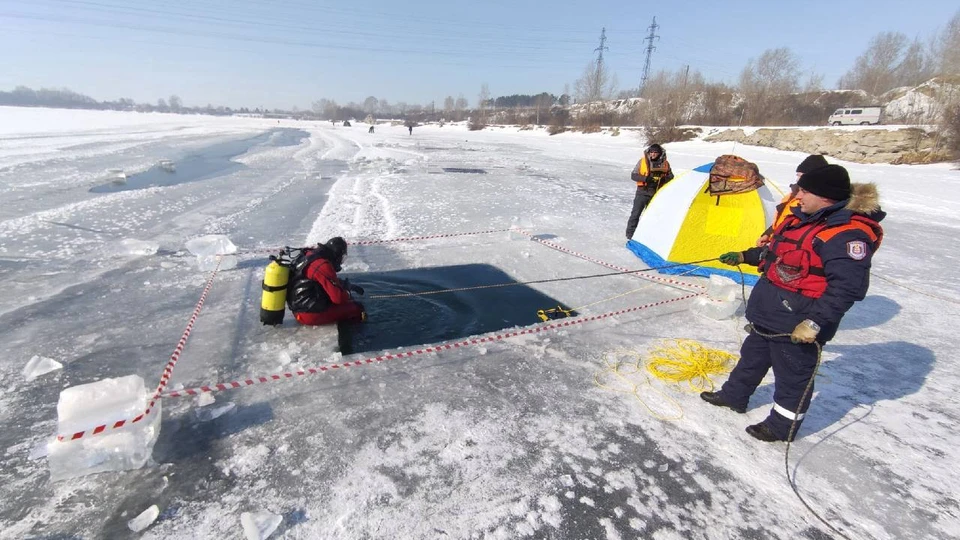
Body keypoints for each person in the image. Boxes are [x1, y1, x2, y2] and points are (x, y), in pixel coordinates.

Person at [701, 164, 885, 442]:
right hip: (768, 312)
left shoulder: (846, 235)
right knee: (751, 359)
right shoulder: (803, 218)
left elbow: (848, 289)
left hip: (798, 322)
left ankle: (781, 427)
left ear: (826, 196)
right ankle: (734, 396)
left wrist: (814, 323)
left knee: (793, 378)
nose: (798, 197)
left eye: (805, 191)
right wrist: (744, 256)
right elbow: (778, 252)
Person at [286, 237, 366, 325]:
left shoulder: (310, 255)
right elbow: (338, 298)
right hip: (309, 314)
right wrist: (347, 292)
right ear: (337, 255)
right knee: (357, 308)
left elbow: (321, 279)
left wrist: (344, 285)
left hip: (299, 308)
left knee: (347, 300)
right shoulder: (322, 265)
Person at [756, 154, 829, 247]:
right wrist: (768, 234)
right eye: (798, 175)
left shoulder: (813, 202)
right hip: (776, 242)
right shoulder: (791, 196)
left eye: (802, 176)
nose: (798, 179)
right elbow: (781, 219)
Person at [625, 143, 674, 240]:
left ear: (660, 153)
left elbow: (671, 176)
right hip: (642, 192)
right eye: (652, 152)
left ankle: (647, 235)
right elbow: (633, 175)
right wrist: (646, 179)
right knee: (635, 214)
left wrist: (663, 179)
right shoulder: (642, 161)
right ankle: (630, 235)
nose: (653, 154)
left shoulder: (665, 163)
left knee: (651, 216)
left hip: (656, 193)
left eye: (656, 152)